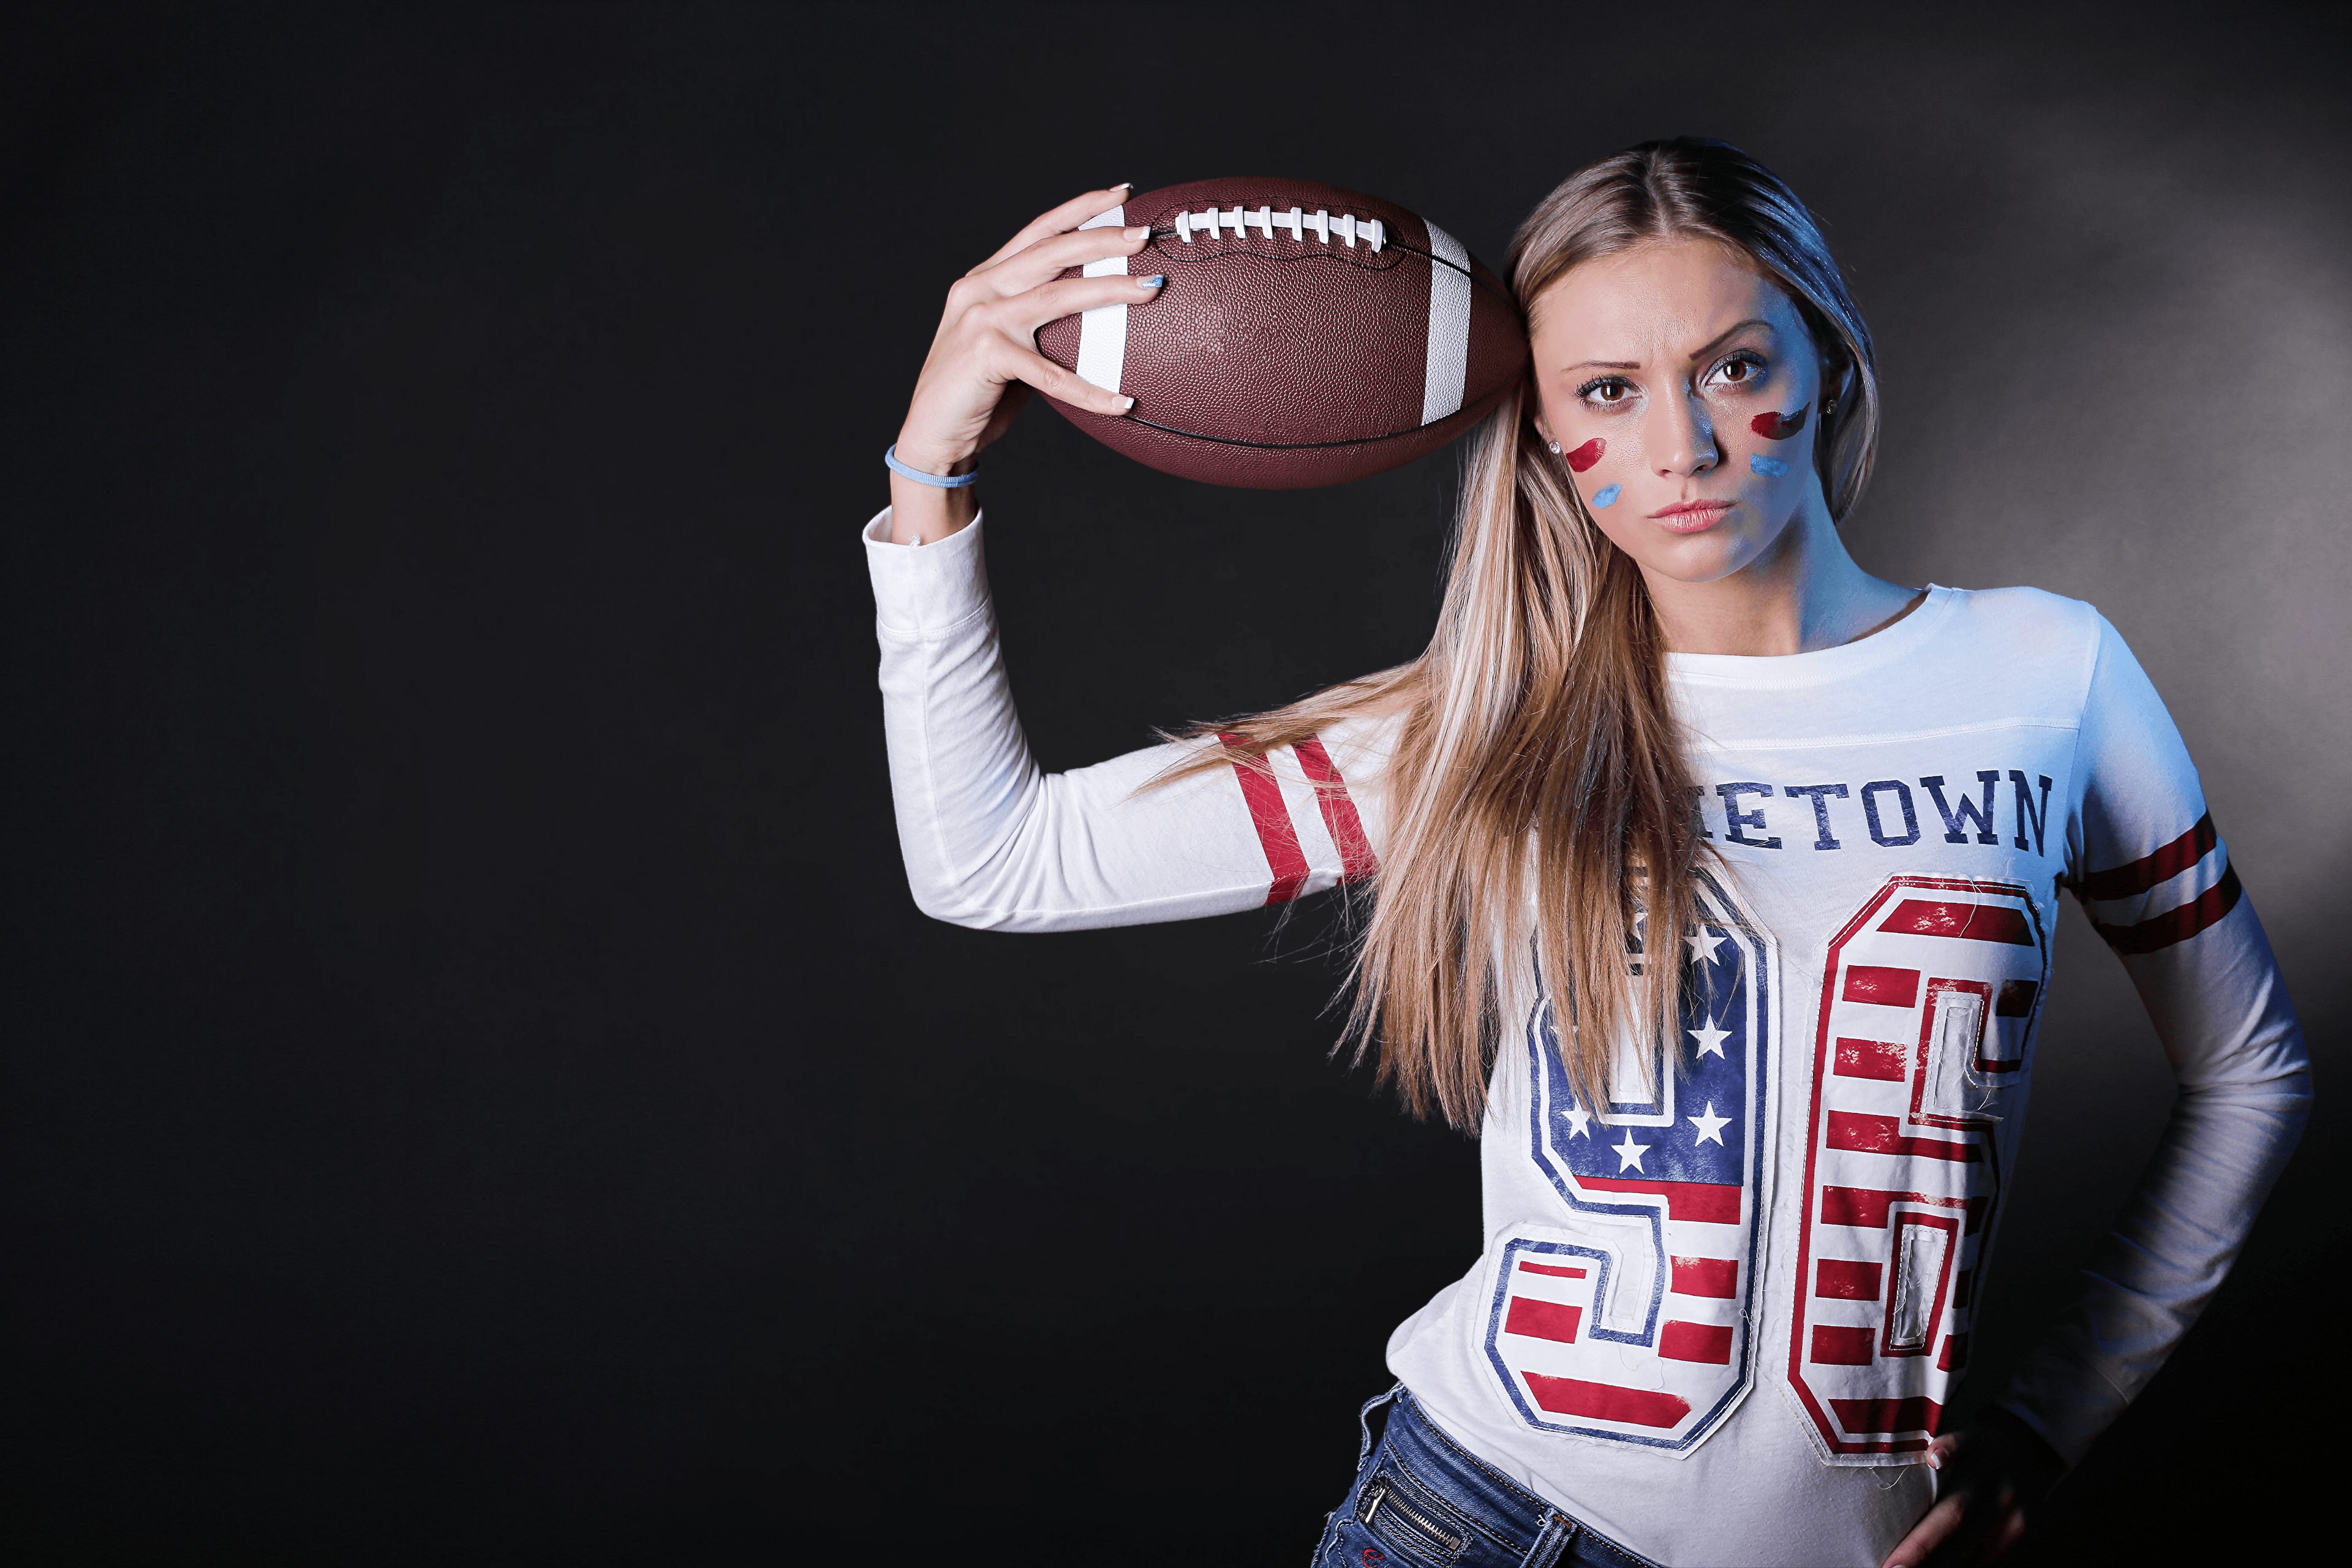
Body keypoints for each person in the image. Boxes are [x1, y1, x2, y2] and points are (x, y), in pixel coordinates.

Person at [862, 140, 2309, 1568]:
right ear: (1548, 432)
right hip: (1484, 1521)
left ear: (1828, 365)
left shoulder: (2046, 672)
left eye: (1735, 368)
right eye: (1608, 391)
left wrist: (2053, 1421)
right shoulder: (1491, 727)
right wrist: (928, 471)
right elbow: (997, 859)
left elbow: (2251, 1071)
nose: (1680, 445)